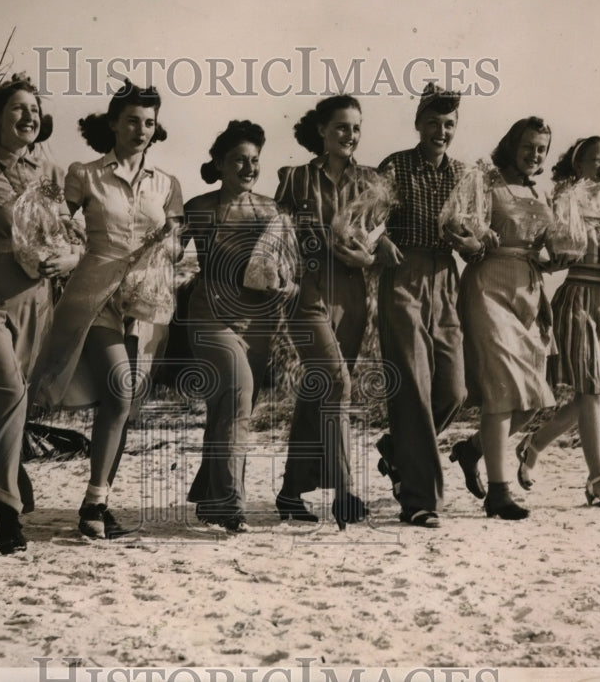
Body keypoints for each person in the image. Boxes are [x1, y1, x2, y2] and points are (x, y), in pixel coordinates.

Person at [30, 81, 183, 540]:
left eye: (150, 123)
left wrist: (168, 249)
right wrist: (69, 255)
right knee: (119, 388)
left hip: (147, 301)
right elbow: (56, 226)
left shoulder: (167, 183)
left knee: (126, 402)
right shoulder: (85, 174)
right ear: (113, 123)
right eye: (132, 120)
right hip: (94, 294)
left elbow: (176, 245)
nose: (141, 129)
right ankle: (89, 503)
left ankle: (97, 503)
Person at [0, 79, 79, 554]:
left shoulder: (51, 172)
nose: (28, 117)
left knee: (4, 405)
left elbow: (70, 235)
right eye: (17, 109)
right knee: (9, 391)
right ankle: (7, 510)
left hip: (36, 296)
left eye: (35, 109)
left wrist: (64, 260)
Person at [447, 116, 575, 520]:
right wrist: (473, 237)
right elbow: (455, 224)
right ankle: (499, 493)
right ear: (511, 144)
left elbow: (547, 251)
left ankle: (470, 451)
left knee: (531, 400)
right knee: (504, 390)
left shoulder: (542, 193)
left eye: (541, 149)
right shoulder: (485, 181)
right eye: (528, 146)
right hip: (488, 286)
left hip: (529, 290)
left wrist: (559, 257)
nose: (534, 155)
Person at [509, 136, 600, 506]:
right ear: (578, 164)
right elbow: (545, 248)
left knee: (591, 396)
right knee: (591, 393)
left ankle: (532, 446)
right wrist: (547, 262)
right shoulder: (563, 200)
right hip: (578, 299)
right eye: (598, 160)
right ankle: (598, 482)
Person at [183, 120, 294, 533]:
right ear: (219, 163)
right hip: (209, 314)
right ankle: (231, 504)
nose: (248, 168)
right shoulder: (197, 208)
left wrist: (285, 284)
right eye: (239, 161)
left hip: (258, 321)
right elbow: (159, 258)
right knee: (237, 393)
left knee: (227, 408)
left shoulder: (272, 210)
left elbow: (289, 269)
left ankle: (212, 500)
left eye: (254, 161)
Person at [274, 95, 378, 529]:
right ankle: (345, 491)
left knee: (320, 391)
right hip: (307, 292)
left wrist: (367, 256)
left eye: (355, 128)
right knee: (337, 381)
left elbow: (376, 237)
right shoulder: (295, 178)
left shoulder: (371, 181)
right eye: (340, 127)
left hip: (353, 293)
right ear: (321, 130)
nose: (349, 135)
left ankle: (291, 492)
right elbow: (276, 235)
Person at [374, 83, 471, 529]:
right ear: (417, 124)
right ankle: (420, 499)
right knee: (413, 385)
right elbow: (365, 221)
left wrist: (476, 241)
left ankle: (398, 450)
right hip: (403, 273)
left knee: (454, 390)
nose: (440, 131)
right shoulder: (395, 165)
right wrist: (383, 240)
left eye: (448, 124)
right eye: (432, 122)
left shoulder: (465, 175)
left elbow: (473, 237)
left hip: (446, 276)